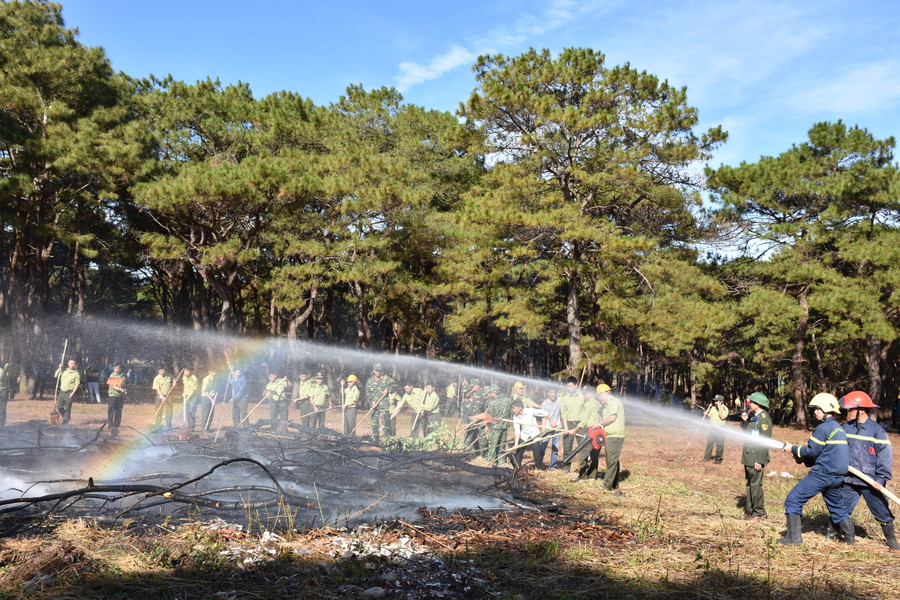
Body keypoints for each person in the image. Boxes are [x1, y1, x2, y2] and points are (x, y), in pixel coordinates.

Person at [778, 393, 851, 545]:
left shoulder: (823, 428)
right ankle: (850, 540)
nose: (815, 412)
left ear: (826, 409)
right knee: (837, 506)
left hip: (823, 474)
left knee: (793, 500)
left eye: (818, 409)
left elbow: (812, 451)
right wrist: (801, 457)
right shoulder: (839, 428)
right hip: (837, 476)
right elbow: (825, 453)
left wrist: (793, 448)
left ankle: (793, 538)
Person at [838, 391, 898, 549]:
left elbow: (885, 456)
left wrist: (881, 479)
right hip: (849, 478)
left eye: (851, 409)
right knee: (840, 507)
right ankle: (834, 533)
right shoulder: (846, 428)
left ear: (861, 410)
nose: (848, 412)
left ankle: (891, 540)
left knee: (881, 510)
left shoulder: (877, 431)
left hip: (871, 481)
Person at [740, 391, 772, 520]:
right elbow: (748, 432)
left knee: (756, 486)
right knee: (750, 484)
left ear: (758, 404)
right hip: (749, 456)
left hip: (756, 457)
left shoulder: (764, 418)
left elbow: (765, 441)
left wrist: (759, 460)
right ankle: (750, 511)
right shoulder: (754, 416)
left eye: (751, 402)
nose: (749, 404)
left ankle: (759, 513)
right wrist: (744, 422)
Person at [569, 386, 601, 481]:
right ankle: (592, 476)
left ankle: (581, 476)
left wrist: (575, 429)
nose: (583, 396)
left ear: (590, 394)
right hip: (599, 433)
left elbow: (584, 420)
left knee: (582, 454)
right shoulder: (598, 403)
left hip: (590, 431)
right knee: (594, 454)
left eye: (584, 394)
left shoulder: (588, 404)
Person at [597, 384, 625, 492]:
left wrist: (599, 424)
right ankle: (614, 484)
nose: (599, 398)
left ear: (605, 393)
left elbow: (612, 418)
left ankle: (607, 487)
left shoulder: (614, 402)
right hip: (611, 435)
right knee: (612, 460)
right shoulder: (607, 405)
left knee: (611, 461)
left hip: (615, 436)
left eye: (600, 396)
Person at [510, 398, 550, 469]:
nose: (513, 410)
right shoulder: (515, 417)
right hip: (524, 435)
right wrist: (516, 444)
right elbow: (517, 431)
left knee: (536, 453)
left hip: (534, 434)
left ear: (520, 408)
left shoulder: (530, 411)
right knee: (519, 452)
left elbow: (545, 413)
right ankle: (517, 468)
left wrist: (552, 422)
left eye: (514, 408)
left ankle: (539, 468)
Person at [365, 364, 396, 442]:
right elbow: (368, 392)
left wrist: (388, 389)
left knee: (385, 420)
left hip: (384, 403)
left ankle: (387, 438)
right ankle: (375, 437)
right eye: (377, 371)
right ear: (373, 370)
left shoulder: (386, 378)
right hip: (374, 404)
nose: (378, 372)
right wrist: (372, 401)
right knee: (374, 421)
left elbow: (395, 385)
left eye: (380, 371)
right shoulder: (370, 380)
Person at [484, 385, 512, 463]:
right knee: (502, 445)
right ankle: (501, 461)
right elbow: (511, 413)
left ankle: (491, 461)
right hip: (505, 426)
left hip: (495, 427)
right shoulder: (508, 401)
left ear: (493, 393)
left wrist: (486, 426)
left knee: (493, 445)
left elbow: (488, 416)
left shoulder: (492, 403)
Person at [459, 378, 485, 456]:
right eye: (463, 393)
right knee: (467, 440)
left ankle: (483, 454)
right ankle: (467, 455)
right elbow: (464, 414)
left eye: (466, 392)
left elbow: (484, 408)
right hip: (470, 423)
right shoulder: (464, 402)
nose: (465, 394)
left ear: (470, 391)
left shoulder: (479, 398)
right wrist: (466, 423)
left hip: (480, 422)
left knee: (482, 440)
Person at [559, 376, 582, 461]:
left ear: (576, 385)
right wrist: (565, 427)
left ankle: (584, 467)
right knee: (567, 447)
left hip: (581, 424)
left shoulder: (582, 396)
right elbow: (564, 414)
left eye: (570, 386)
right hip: (569, 424)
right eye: (567, 387)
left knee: (583, 446)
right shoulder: (564, 398)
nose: (568, 388)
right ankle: (566, 467)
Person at [539, 388, 562, 469]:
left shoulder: (559, 400)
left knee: (555, 449)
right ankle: (539, 465)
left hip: (557, 428)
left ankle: (552, 467)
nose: (552, 394)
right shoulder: (544, 404)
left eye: (554, 392)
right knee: (542, 447)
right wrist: (543, 430)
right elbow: (543, 418)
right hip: (547, 428)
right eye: (550, 392)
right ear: (547, 393)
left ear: (557, 393)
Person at [702, 394, 729, 463]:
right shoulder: (713, 408)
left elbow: (722, 417)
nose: (715, 402)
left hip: (720, 429)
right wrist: (706, 414)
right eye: (715, 401)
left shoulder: (725, 409)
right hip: (712, 428)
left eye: (717, 401)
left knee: (719, 444)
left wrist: (720, 408)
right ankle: (706, 458)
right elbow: (711, 416)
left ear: (721, 401)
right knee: (710, 443)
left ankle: (718, 459)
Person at [54, 359, 81, 424]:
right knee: (59, 407)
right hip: (62, 392)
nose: (72, 365)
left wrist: (72, 393)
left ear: (75, 365)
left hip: (69, 392)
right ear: (68, 364)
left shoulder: (76, 374)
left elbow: (77, 384)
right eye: (71, 363)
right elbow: (55, 375)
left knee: (68, 407)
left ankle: (65, 421)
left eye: (73, 364)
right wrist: (59, 368)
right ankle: (66, 417)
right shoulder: (64, 371)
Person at [106, 363, 128, 435]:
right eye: (114, 368)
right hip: (113, 395)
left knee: (118, 412)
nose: (115, 369)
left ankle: (116, 426)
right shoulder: (112, 375)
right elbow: (114, 386)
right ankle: (110, 425)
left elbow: (123, 385)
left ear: (121, 368)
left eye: (117, 368)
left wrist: (124, 390)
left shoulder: (124, 376)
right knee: (111, 410)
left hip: (120, 396)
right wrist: (121, 390)